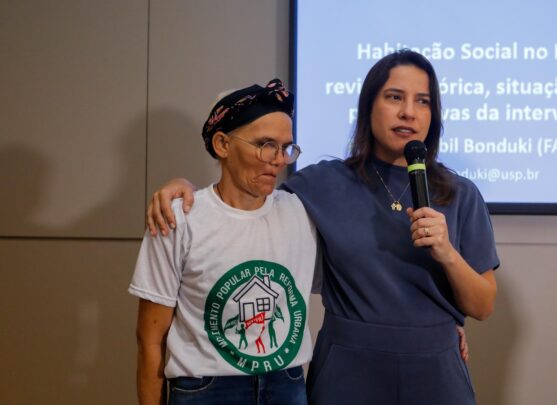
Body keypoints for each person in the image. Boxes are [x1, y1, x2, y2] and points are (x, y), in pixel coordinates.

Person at [147, 50, 499, 405]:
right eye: (394, 97)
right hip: (349, 368)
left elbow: (483, 306)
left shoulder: (460, 194)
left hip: (435, 369)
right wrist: (186, 189)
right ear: (368, 106)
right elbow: (248, 200)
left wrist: (447, 254)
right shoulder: (323, 183)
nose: (408, 111)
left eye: (422, 101)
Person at [131, 79, 317, 405]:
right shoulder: (179, 218)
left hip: (285, 383)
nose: (279, 159)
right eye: (265, 144)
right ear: (222, 145)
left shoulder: (302, 211)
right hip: (205, 389)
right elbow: (149, 339)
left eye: (286, 147)